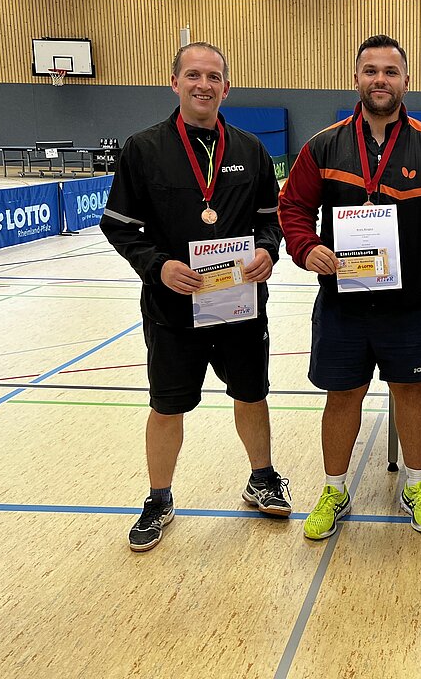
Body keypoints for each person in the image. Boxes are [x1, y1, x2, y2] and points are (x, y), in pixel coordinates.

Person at [278, 34, 421, 541]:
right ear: (357, 79)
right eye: (371, 71)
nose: (380, 80)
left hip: (411, 306)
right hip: (342, 304)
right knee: (342, 396)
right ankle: (334, 490)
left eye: (390, 71)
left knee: (411, 392)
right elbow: (292, 207)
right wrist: (305, 247)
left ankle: (416, 486)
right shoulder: (323, 146)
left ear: (406, 80)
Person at [102, 42, 289, 553]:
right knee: (167, 406)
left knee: (252, 395)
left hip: (239, 306)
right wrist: (157, 266)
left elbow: (270, 220)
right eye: (193, 75)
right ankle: (158, 498)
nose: (203, 85)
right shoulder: (143, 149)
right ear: (175, 82)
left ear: (227, 87)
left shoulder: (250, 149)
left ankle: (262, 479)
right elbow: (119, 226)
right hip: (172, 310)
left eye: (213, 77)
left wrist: (269, 251)